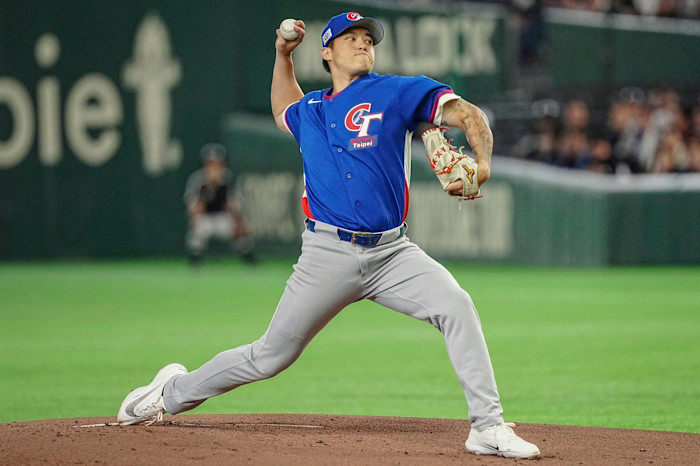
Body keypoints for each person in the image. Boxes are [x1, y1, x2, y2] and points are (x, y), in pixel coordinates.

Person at [117, 12, 540, 460]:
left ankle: (487, 426)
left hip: (393, 253)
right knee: (269, 357)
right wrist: (283, 55)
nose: (362, 43)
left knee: (457, 305)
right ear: (326, 51)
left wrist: (484, 165)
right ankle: (168, 394)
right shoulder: (314, 110)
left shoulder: (398, 91)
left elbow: (469, 114)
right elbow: (283, 108)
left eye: (367, 38)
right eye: (350, 37)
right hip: (326, 253)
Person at [183, 143, 256, 265]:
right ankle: (195, 261)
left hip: (223, 217)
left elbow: (236, 206)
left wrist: (239, 222)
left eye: (216, 163)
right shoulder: (198, 180)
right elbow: (193, 208)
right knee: (198, 229)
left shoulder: (228, 179)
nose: (214, 166)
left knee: (239, 233)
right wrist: (208, 187)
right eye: (210, 163)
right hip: (205, 218)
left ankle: (249, 260)